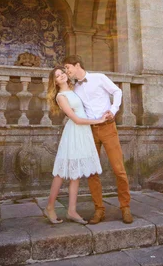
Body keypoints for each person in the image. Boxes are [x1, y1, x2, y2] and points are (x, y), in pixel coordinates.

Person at [63, 55, 133, 224]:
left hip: (108, 127)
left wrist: (113, 109)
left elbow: (117, 91)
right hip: (89, 132)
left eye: (67, 67)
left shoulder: (99, 78)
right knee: (92, 172)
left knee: (119, 169)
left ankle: (125, 207)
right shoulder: (75, 89)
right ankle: (99, 210)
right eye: (65, 69)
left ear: (77, 64)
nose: (67, 71)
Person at [43, 66, 105, 225]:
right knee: (61, 172)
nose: (61, 76)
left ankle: (71, 210)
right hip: (74, 133)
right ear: (55, 82)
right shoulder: (61, 96)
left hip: (83, 133)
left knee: (75, 173)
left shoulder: (73, 90)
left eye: (62, 73)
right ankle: (50, 207)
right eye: (57, 76)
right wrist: (98, 121)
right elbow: (76, 119)